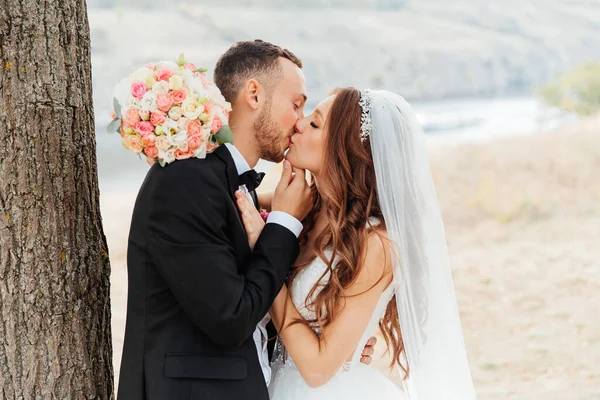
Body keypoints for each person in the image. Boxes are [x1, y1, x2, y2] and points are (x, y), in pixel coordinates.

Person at [117, 41, 375, 400]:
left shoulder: (232, 184)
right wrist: (283, 223)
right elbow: (231, 317)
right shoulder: (187, 181)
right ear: (253, 94)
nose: (300, 122)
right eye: (297, 105)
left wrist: (346, 341)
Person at [235, 88, 477, 399]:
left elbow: (318, 369)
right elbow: (237, 202)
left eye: (315, 124)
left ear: (344, 151)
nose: (299, 123)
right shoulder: (307, 206)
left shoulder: (375, 243)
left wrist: (263, 251)